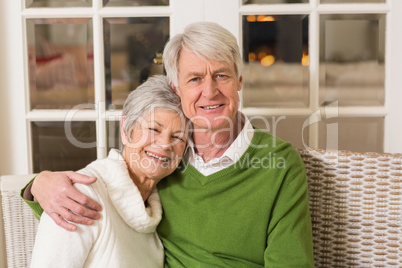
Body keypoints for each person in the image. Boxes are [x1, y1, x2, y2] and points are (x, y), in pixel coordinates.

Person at [22, 22, 314, 267]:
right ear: (177, 89)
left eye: (221, 75)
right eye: (195, 79)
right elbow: (102, 200)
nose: (209, 92)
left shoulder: (279, 164)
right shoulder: (167, 159)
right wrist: (39, 184)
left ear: (239, 81)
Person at [29, 75, 188, 267]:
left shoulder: (157, 212)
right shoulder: (79, 197)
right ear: (125, 130)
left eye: (178, 137)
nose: (164, 145)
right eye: (154, 129)